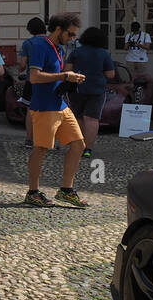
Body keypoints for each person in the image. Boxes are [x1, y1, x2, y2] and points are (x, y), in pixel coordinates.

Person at [24, 13, 88, 208]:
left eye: (74, 35)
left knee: (79, 145)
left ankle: (66, 190)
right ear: (58, 29)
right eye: (70, 34)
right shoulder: (39, 47)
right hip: (44, 107)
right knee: (41, 148)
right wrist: (64, 76)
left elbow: (57, 75)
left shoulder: (59, 48)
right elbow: (34, 77)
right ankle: (33, 192)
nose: (72, 39)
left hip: (59, 104)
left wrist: (70, 78)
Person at [65, 26, 115, 159]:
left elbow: (67, 70)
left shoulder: (76, 52)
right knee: (92, 119)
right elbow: (110, 74)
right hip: (97, 90)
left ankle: (78, 146)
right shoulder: (104, 53)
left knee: (78, 117)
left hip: (77, 89)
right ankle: (88, 149)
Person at [19, 17, 48, 147]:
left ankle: (29, 140)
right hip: (50, 80)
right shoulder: (53, 42)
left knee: (31, 111)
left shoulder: (28, 44)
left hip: (32, 80)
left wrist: (20, 69)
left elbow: (23, 65)